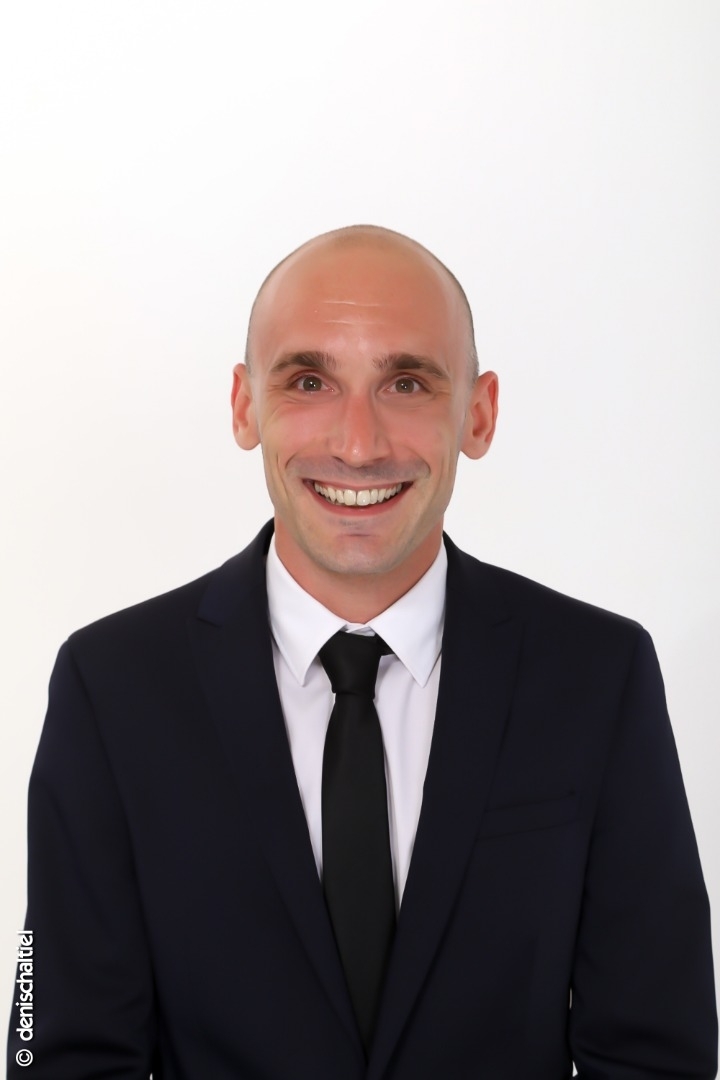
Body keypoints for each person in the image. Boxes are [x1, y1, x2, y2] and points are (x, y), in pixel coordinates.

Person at [7, 225, 717, 1079]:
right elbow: (61, 1057)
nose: (358, 443)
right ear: (244, 406)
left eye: (406, 383)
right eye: (309, 381)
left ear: (479, 413)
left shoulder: (598, 677)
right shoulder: (113, 688)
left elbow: (656, 1054)